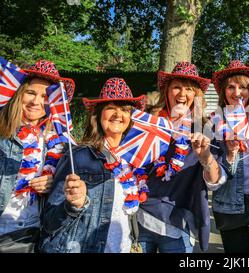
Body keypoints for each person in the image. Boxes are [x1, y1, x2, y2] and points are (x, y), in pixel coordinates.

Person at [39, 77, 150, 253]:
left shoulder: (133, 161)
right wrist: (73, 205)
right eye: (111, 108)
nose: (118, 114)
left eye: (124, 109)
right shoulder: (79, 157)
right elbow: (49, 222)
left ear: (130, 117)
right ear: (98, 115)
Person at [137, 62, 225, 253]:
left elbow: (215, 182)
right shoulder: (151, 124)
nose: (182, 94)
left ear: (195, 95)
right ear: (167, 91)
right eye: (177, 87)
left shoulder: (204, 129)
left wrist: (206, 158)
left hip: (178, 224)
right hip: (140, 218)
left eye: (189, 89)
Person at [0, 60, 75, 253]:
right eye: (31, 93)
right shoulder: (3, 131)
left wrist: (53, 182)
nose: (36, 102)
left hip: (27, 234)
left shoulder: (57, 141)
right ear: (19, 93)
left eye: (45, 96)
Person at [207, 60, 249, 253]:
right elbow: (212, 178)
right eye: (230, 87)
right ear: (223, 92)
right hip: (231, 207)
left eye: (242, 87)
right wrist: (230, 153)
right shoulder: (214, 123)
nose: (236, 93)